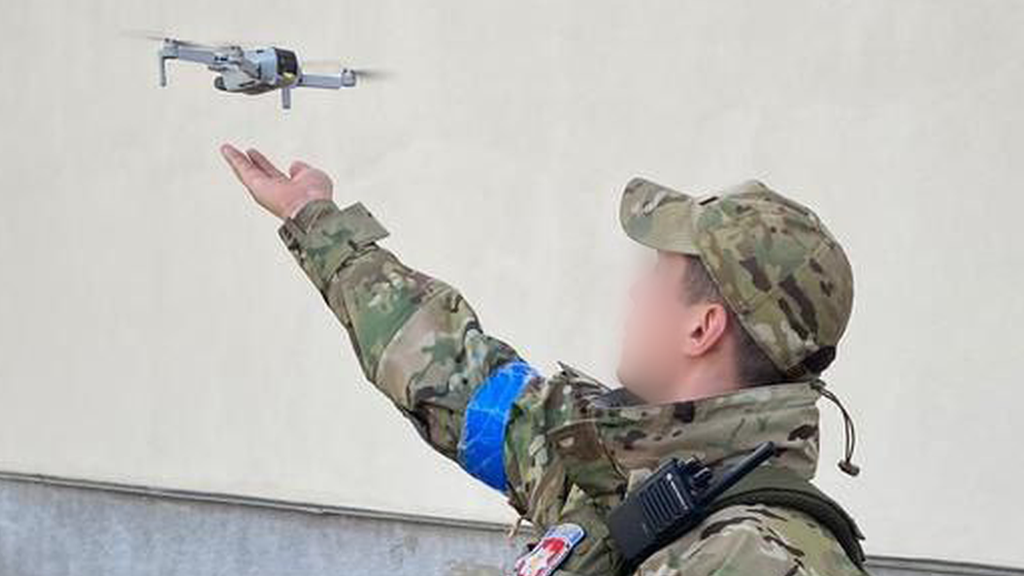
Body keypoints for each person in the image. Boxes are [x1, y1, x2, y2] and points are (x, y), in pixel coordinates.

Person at [219, 142, 870, 576]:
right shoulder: (622, 466)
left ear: (702, 328)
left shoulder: (763, 559)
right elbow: (451, 374)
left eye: (657, 274)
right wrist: (317, 222)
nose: (635, 291)